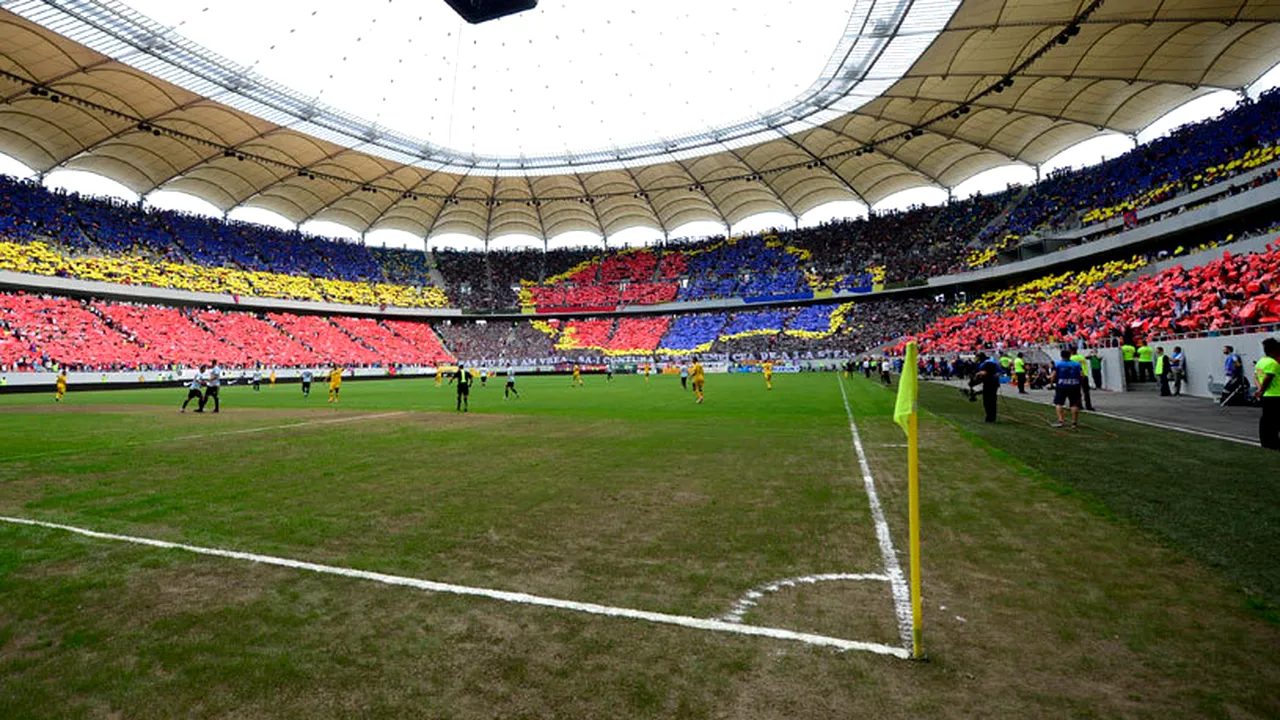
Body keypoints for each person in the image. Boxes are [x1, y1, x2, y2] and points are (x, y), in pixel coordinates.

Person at [1254, 338, 1280, 450]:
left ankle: (1266, 442)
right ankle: (1273, 442)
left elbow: (1256, 376)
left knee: (1266, 419)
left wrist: (1259, 390)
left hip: (1266, 396)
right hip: (1276, 394)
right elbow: (1268, 378)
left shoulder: (1261, 362)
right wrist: (1262, 389)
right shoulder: (1272, 363)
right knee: (1274, 421)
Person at [1050, 349, 1083, 429]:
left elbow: (1053, 375)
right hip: (1074, 385)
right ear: (1070, 355)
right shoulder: (1077, 364)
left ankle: (1061, 421)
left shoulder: (1057, 364)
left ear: (1061, 355)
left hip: (1062, 386)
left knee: (1059, 403)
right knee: (1074, 404)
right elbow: (1082, 375)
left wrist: (1051, 383)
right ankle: (1074, 423)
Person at [971, 352, 1001, 423]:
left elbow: (987, 372)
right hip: (990, 383)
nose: (976, 359)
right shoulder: (988, 362)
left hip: (991, 383)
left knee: (989, 401)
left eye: (977, 357)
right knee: (989, 401)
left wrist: (978, 373)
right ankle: (990, 417)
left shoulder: (988, 363)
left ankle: (990, 418)